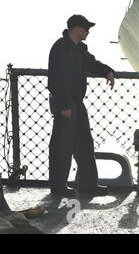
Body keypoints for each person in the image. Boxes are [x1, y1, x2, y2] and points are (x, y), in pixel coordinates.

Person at [47, 14, 115, 197]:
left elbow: (92, 64)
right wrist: (64, 105)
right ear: (76, 28)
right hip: (66, 104)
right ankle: (58, 186)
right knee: (62, 145)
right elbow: (57, 78)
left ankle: (88, 184)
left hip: (77, 103)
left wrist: (108, 71)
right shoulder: (61, 47)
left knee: (85, 143)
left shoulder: (80, 49)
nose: (88, 32)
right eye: (86, 28)